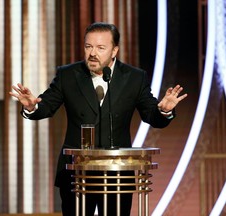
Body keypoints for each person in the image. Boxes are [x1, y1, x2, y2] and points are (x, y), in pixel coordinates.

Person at [10, 22, 187, 216]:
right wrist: (31, 106)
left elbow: (151, 116)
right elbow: (46, 107)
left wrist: (164, 111)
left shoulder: (134, 78)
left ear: (114, 50)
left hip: (117, 174)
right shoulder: (68, 75)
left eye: (100, 48)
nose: (92, 53)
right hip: (76, 172)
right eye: (88, 46)